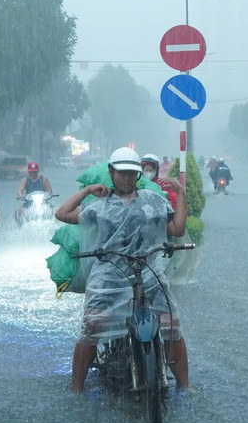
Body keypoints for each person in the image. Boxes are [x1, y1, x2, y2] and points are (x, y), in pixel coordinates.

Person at [55, 146, 188, 391]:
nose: (126, 178)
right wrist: (87, 191)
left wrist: (181, 194)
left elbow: (177, 229)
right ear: (111, 172)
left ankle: (185, 385)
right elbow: (62, 213)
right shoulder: (99, 206)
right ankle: (76, 388)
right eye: (121, 172)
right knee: (92, 325)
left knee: (171, 323)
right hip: (109, 274)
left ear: (138, 175)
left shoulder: (154, 203)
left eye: (131, 173)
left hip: (149, 270)